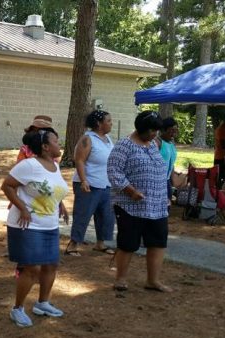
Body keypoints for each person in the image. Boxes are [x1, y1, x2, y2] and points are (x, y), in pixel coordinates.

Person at [2, 127, 69, 327]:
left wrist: (61, 205)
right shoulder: (29, 165)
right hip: (27, 225)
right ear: (46, 147)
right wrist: (21, 207)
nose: (60, 144)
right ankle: (18, 309)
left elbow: (52, 189)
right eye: (56, 141)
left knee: (51, 265)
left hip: (49, 225)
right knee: (31, 268)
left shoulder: (54, 165)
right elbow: (7, 185)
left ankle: (43, 303)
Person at [107, 110, 173, 293]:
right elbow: (114, 172)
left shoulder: (152, 145)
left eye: (156, 131)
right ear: (141, 128)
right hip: (130, 205)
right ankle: (120, 278)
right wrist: (130, 190)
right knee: (128, 243)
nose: (154, 134)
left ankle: (153, 280)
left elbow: (160, 171)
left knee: (158, 242)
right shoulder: (124, 146)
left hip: (156, 205)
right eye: (151, 130)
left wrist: (164, 195)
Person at [65, 110, 115, 256]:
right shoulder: (87, 139)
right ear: (99, 124)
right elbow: (79, 160)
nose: (111, 123)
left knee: (106, 215)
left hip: (105, 184)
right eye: (109, 121)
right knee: (83, 214)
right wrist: (83, 180)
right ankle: (73, 245)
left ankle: (101, 243)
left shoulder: (108, 139)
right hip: (89, 184)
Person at [155, 116, 179, 203]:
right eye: (171, 131)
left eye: (175, 131)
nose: (173, 134)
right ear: (163, 130)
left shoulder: (171, 143)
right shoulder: (157, 142)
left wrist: (173, 180)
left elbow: (171, 163)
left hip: (167, 181)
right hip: (157, 180)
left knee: (167, 206)